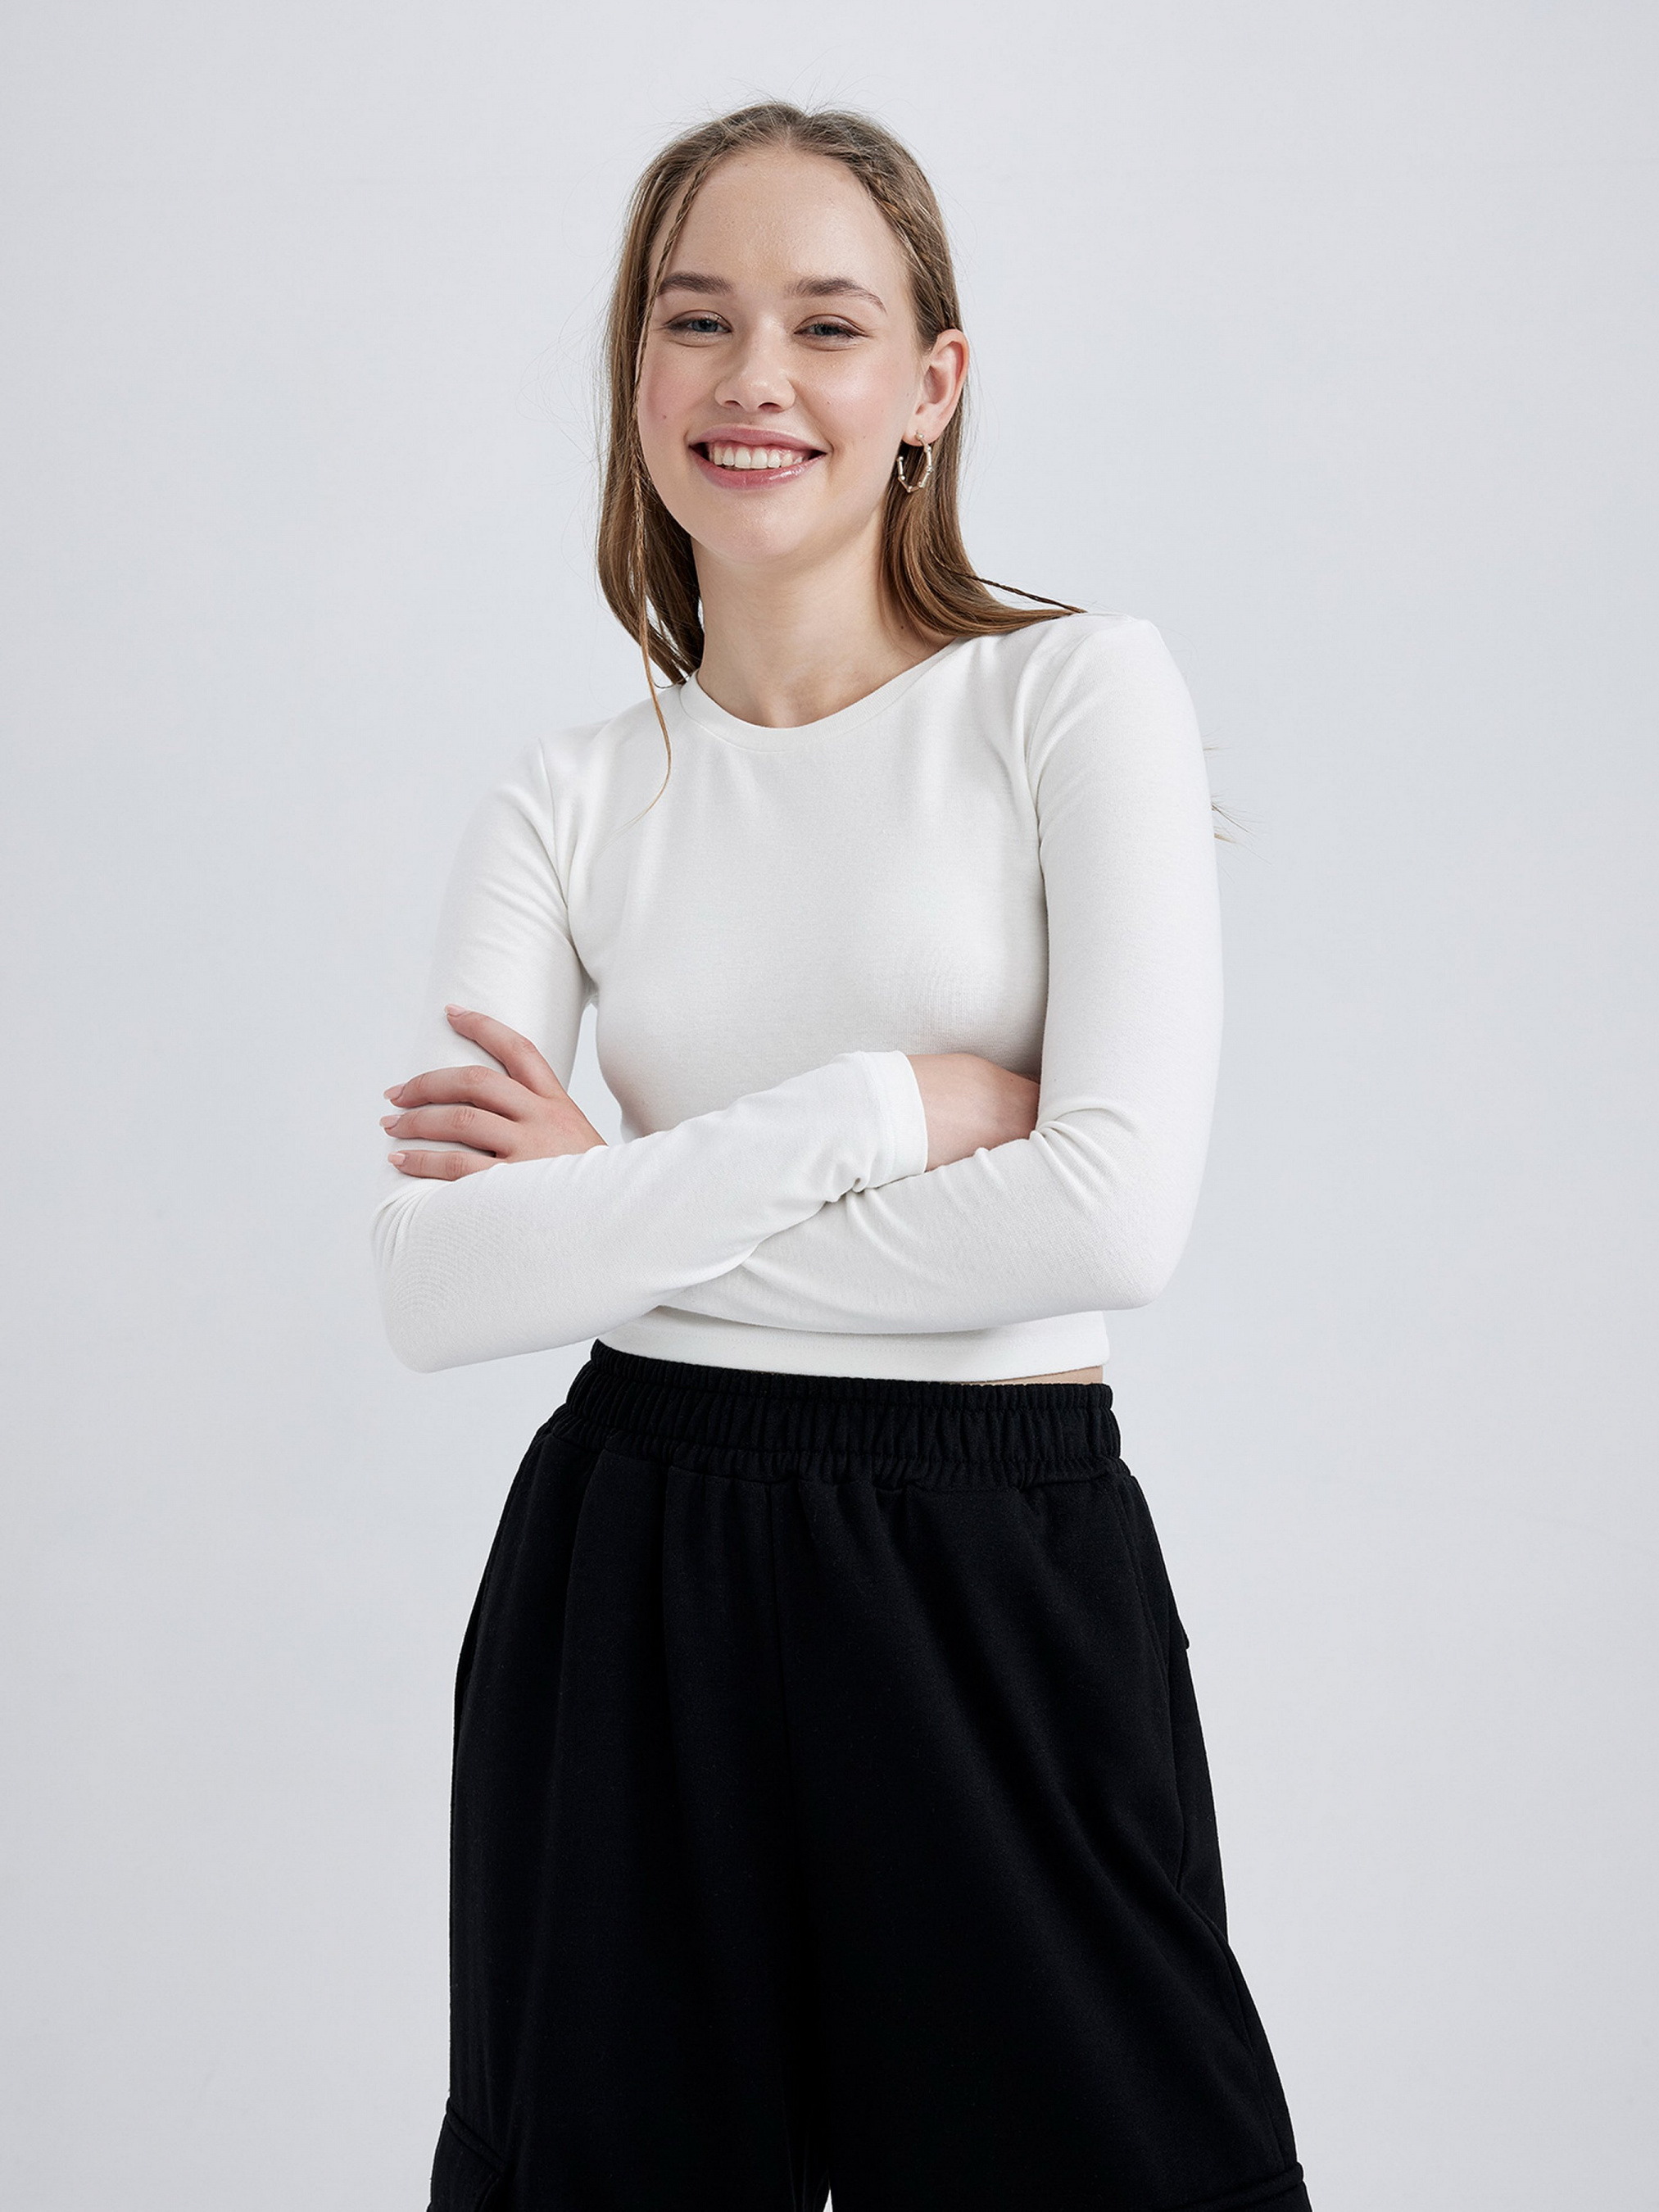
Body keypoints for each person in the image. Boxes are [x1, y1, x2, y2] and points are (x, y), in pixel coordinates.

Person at [372, 99, 1312, 2212]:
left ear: (931, 385)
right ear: (638, 371)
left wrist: (606, 1211)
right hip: (631, 1576)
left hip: (990, 1568)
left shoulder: (1070, 697)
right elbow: (437, 1285)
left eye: (827, 323)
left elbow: (1110, 1216)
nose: (756, 380)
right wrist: (887, 1111)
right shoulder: (567, 796)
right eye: (696, 319)